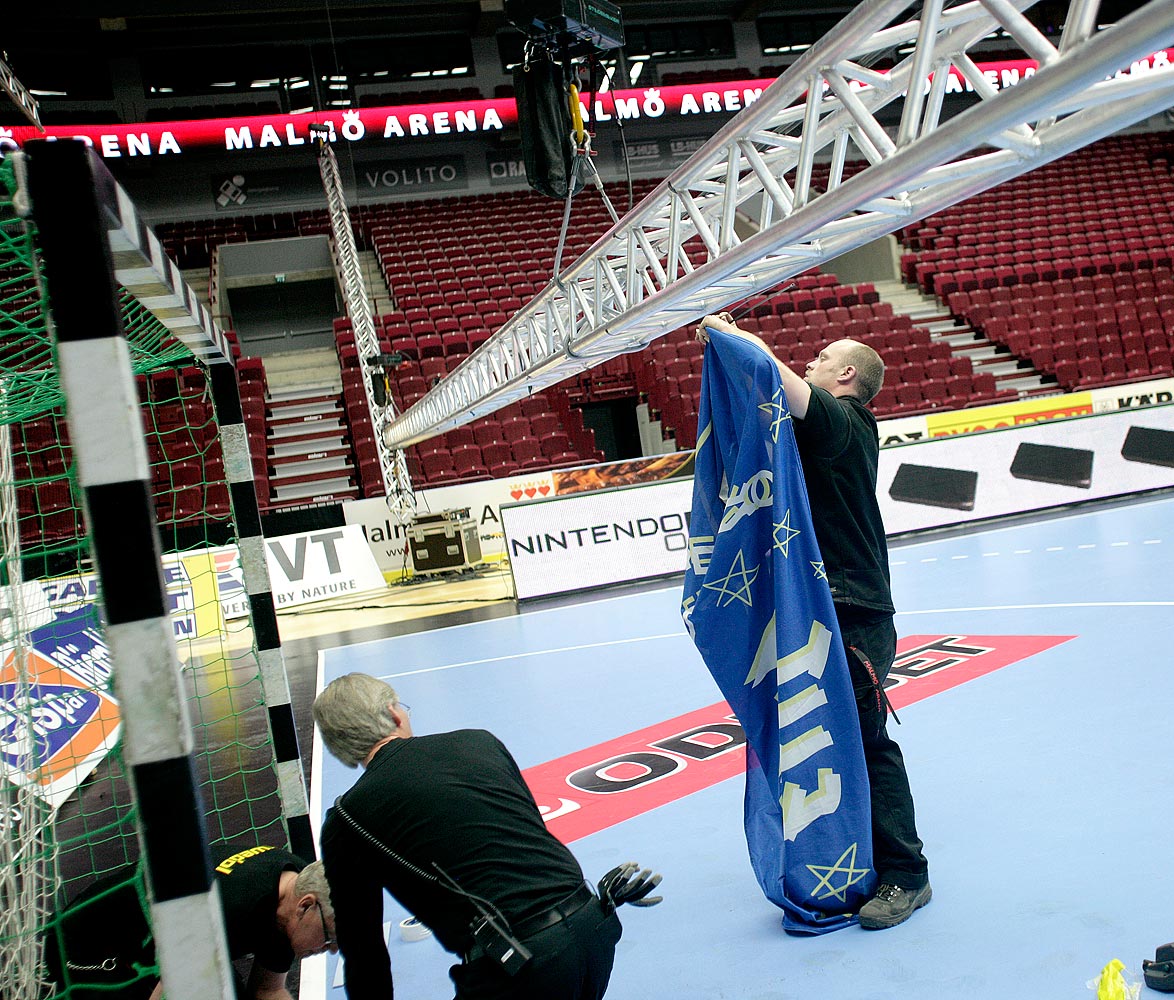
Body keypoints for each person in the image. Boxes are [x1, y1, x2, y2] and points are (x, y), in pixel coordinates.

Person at [698, 312, 931, 930]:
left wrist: (738, 339)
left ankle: (909, 874)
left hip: (851, 613)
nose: (811, 362)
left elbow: (780, 381)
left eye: (823, 357)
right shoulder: (818, 434)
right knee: (842, 735)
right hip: (826, 606)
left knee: (866, 739)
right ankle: (860, 859)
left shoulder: (846, 423)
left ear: (847, 373)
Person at [313, 672, 659, 1000]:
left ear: (341, 748)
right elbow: (530, 833)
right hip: (593, 925)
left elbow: (363, 950)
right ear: (394, 714)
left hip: (520, 965)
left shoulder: (347, 820)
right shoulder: (477, 741)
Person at [45, 845, 336, 1000]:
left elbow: (268, 991)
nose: (331, 950)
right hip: (86, 951)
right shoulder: (229, 907)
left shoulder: (294, 888)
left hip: (163, 952)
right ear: (305, 906)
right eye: (330, 938)